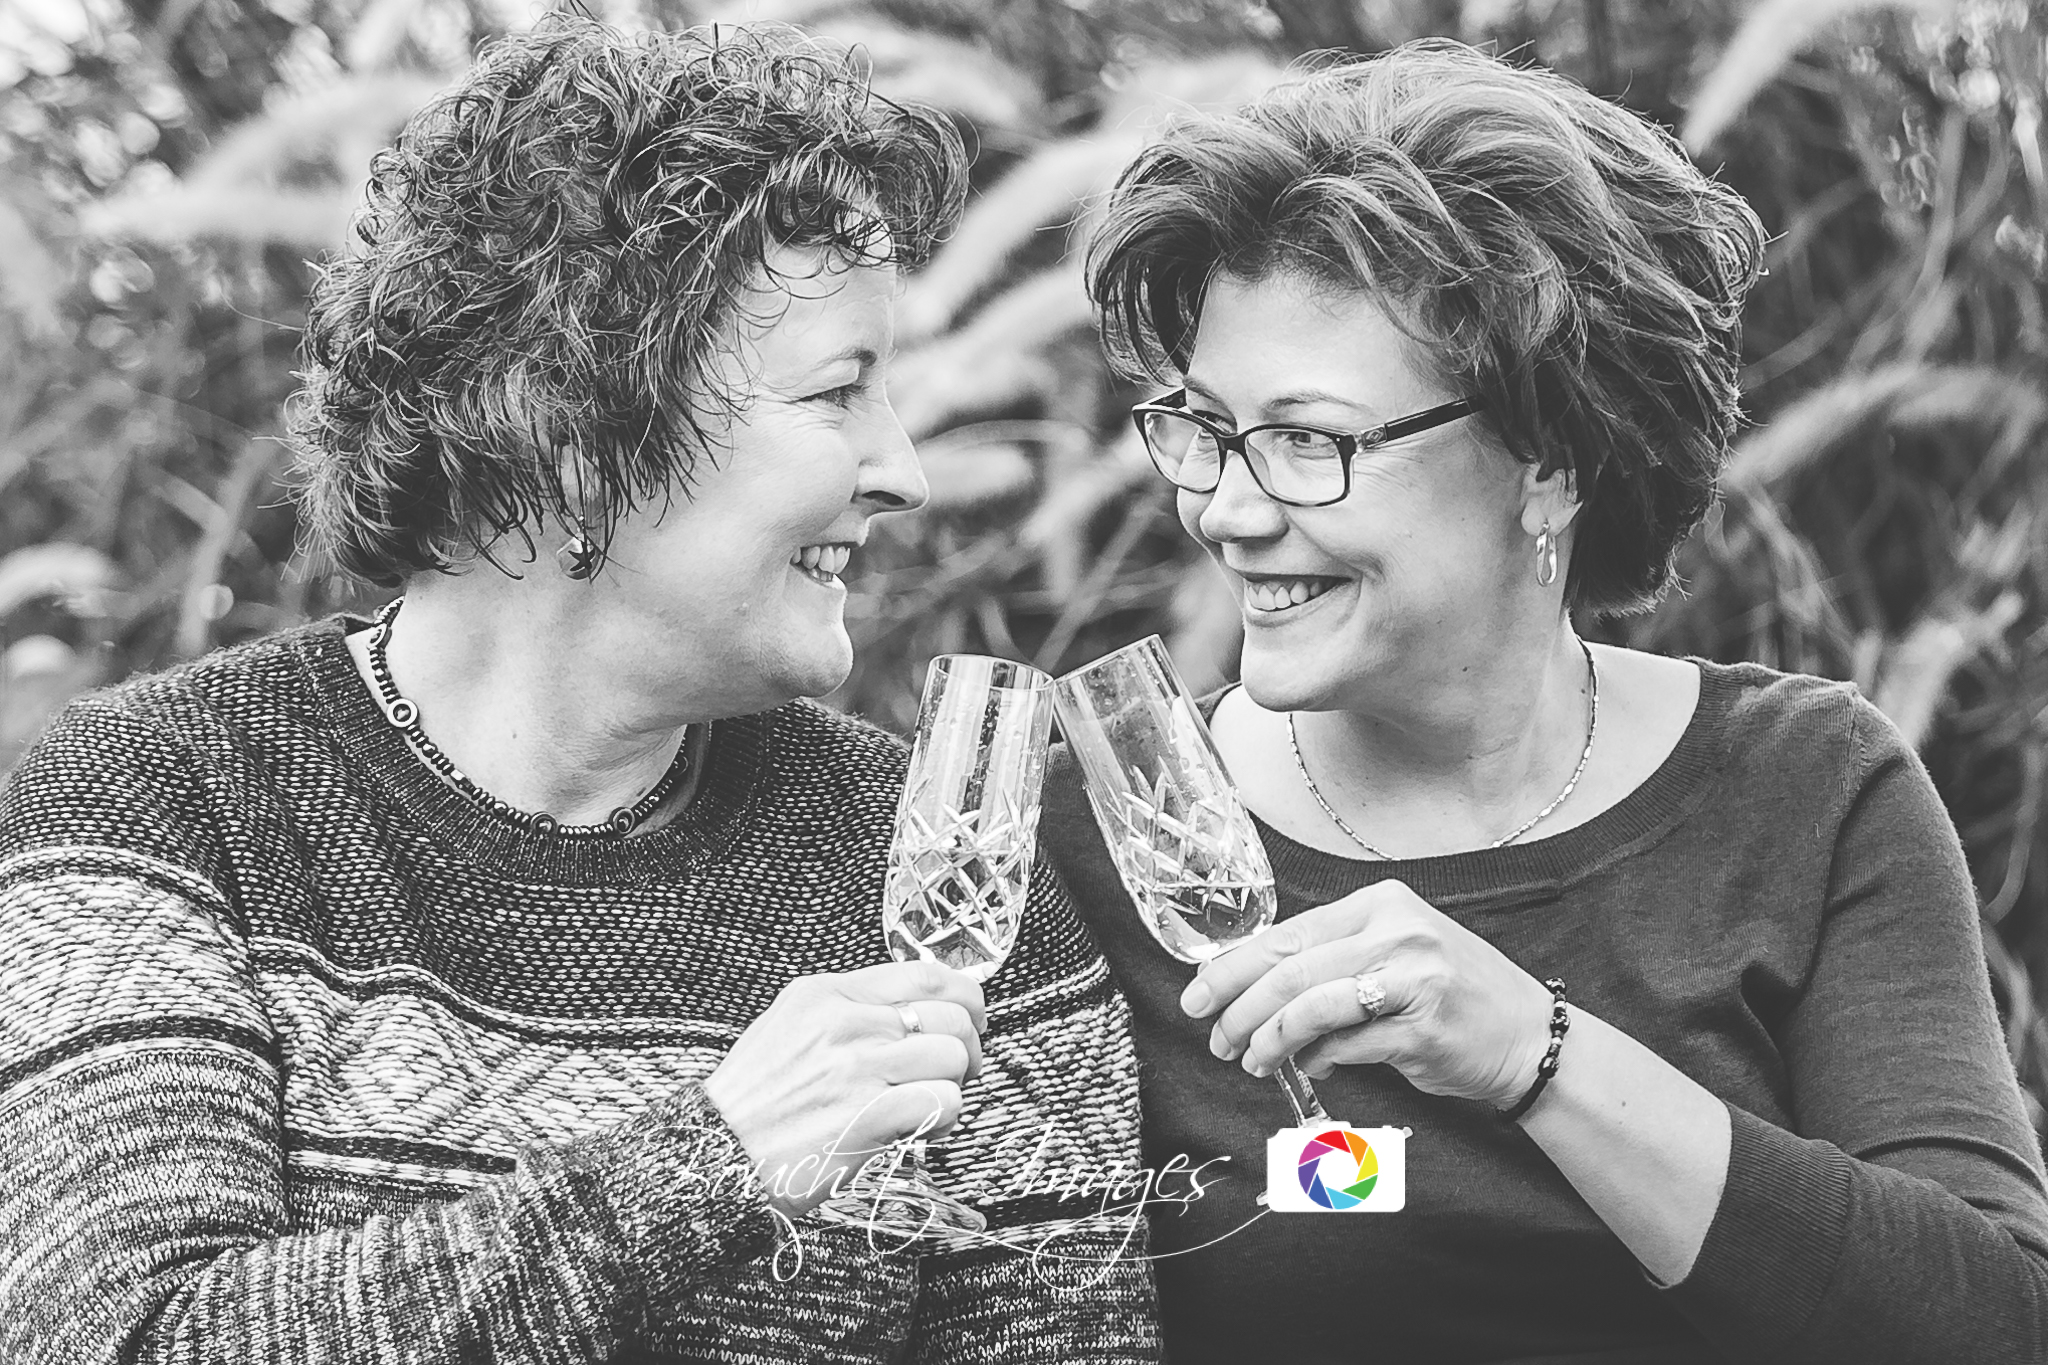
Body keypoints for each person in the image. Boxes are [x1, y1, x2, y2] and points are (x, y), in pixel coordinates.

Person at [0, 19, 1158, 1364]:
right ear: (574, 430)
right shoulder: (159, 801)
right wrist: (710, 1160)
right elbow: (123, 1337)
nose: (902, 468)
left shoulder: (942, 878)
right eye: (837, 392)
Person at [1041, 38, 2048, 1365]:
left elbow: (1992, 1322)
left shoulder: (1810, 793)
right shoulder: (1098, 831)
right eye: (1207, 428)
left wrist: (1534, 1051)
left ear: (1554, 461)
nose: (1225, 509)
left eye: (1306, 441)